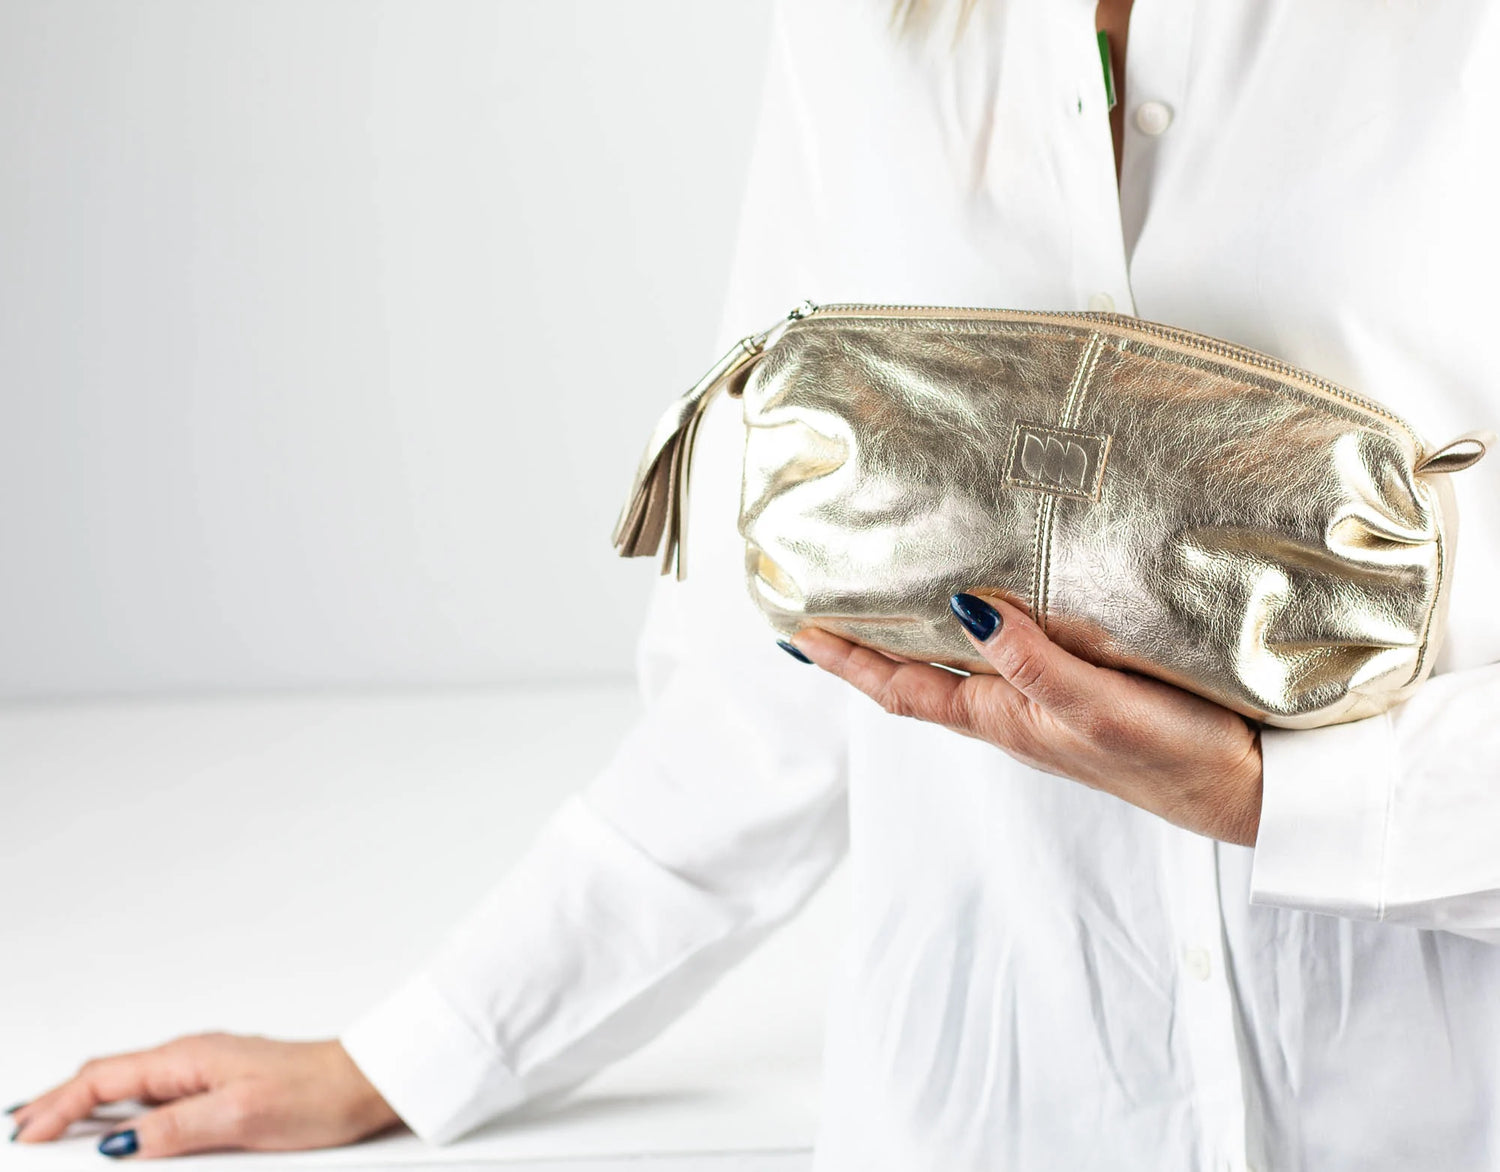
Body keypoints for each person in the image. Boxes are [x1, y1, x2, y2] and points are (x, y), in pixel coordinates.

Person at [11, 1, 1500, 1168]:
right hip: (979, 1113)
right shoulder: (866, 25)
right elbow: (769, 688)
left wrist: (1272, 798)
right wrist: (406, 1055)